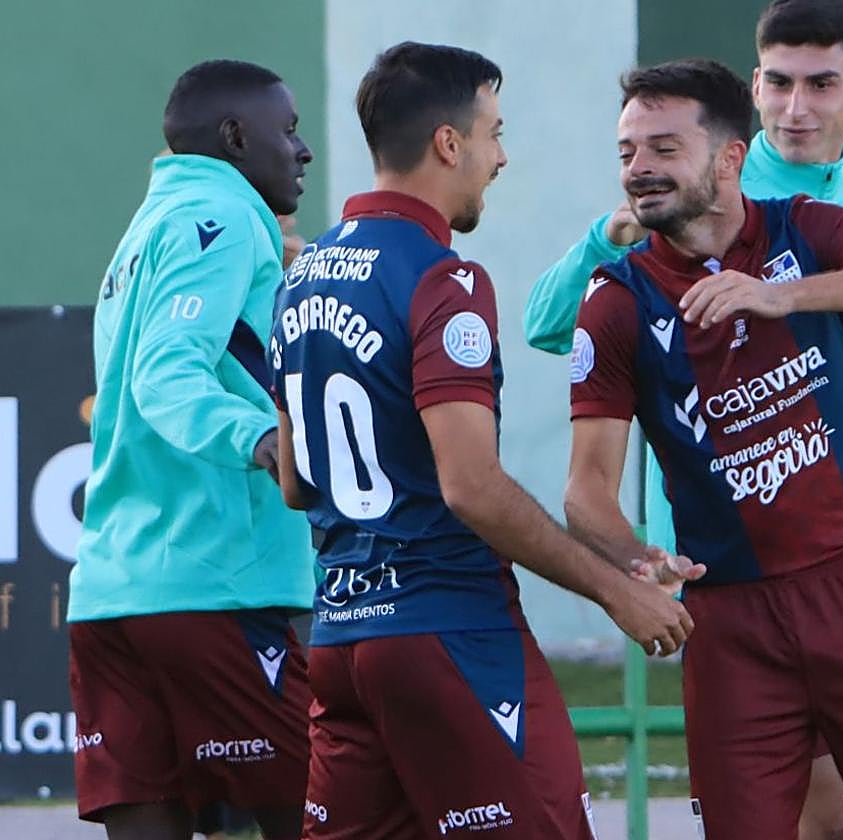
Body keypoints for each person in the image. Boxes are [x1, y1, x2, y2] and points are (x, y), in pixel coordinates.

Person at [525, 3, 843, 835]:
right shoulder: (658, 221)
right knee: (819, 821)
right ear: (753, 94)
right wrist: (605, 238)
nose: (797, 108)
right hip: (724, 584)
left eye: (820, 85)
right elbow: (551, 329)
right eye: (780, 84)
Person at [270, 42, 695, 840]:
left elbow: (296, 483)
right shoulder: (446, 279)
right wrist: (615, 589)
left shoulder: (301, 274)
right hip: (449, 634)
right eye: (493, 133)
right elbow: (470, 485)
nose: (501, 157)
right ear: (448, 143)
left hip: (341, 641)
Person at [69, 60, 316, 840]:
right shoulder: (224, 216)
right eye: (288, 130)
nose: (303, 150)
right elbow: (166, 374)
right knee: (327, 819)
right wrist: (262, 437)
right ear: (236, 137)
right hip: (215, 589)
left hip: (110, 599)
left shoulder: (144, 232)